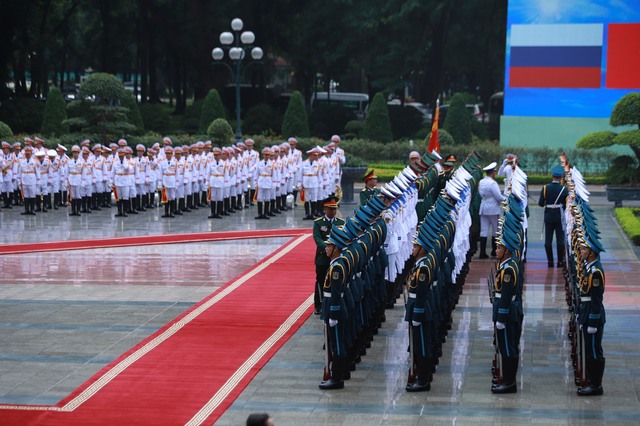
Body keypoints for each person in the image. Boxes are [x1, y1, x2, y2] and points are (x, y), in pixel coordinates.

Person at [491, 231, 522, 394]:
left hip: (507, 313)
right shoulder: (506, 266)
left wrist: (501, 317)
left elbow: (506, 296)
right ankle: (508, 381)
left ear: (507, 251)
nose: (496, 250)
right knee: (507, 347)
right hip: (506, 312)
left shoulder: (508, 270)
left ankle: (509, 383)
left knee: (508, 348)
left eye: (499, 248)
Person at [576, 235, 606, 396]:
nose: (581, 251)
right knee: (589, 350)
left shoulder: (596, 272)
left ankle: (596, 385)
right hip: (587, 313)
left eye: (584, 249)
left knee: (594, 351)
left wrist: (593, 322)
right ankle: (591, 381)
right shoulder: (589, 268)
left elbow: (596, 300)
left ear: (592, 253)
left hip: (593, 315)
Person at [312, 196, 345, 315]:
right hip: (323, 257)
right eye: (330, 209)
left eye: (335, 209)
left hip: (336, 256)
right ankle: (319, 304)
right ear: (325, 209)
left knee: (335, 280)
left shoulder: (340, 223)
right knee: (321, 281)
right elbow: (317, 238)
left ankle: (333, 302)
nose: (333, 211)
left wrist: (335, 249)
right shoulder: (318, 223)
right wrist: (328, 248)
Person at [538, 165, 568, 268]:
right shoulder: (564, 189)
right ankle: (560, 262)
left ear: (552, 176)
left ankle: (550, 262)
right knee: (560, 240)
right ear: (561, 177)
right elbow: (566, 205)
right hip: (559, 216)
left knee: (548, 241)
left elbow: (541, 203)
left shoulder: (545, 188)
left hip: (548, 216)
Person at [478, 162, 505, 258]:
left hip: (483, 206)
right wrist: (506, 200)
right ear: (493, 172)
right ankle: (494, 250)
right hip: (493, 208)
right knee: (496, 229)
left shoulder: (481, 182)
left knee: (483, 230)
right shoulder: (493, 183)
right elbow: (498, 196)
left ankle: (482, 252)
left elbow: (480, 193)